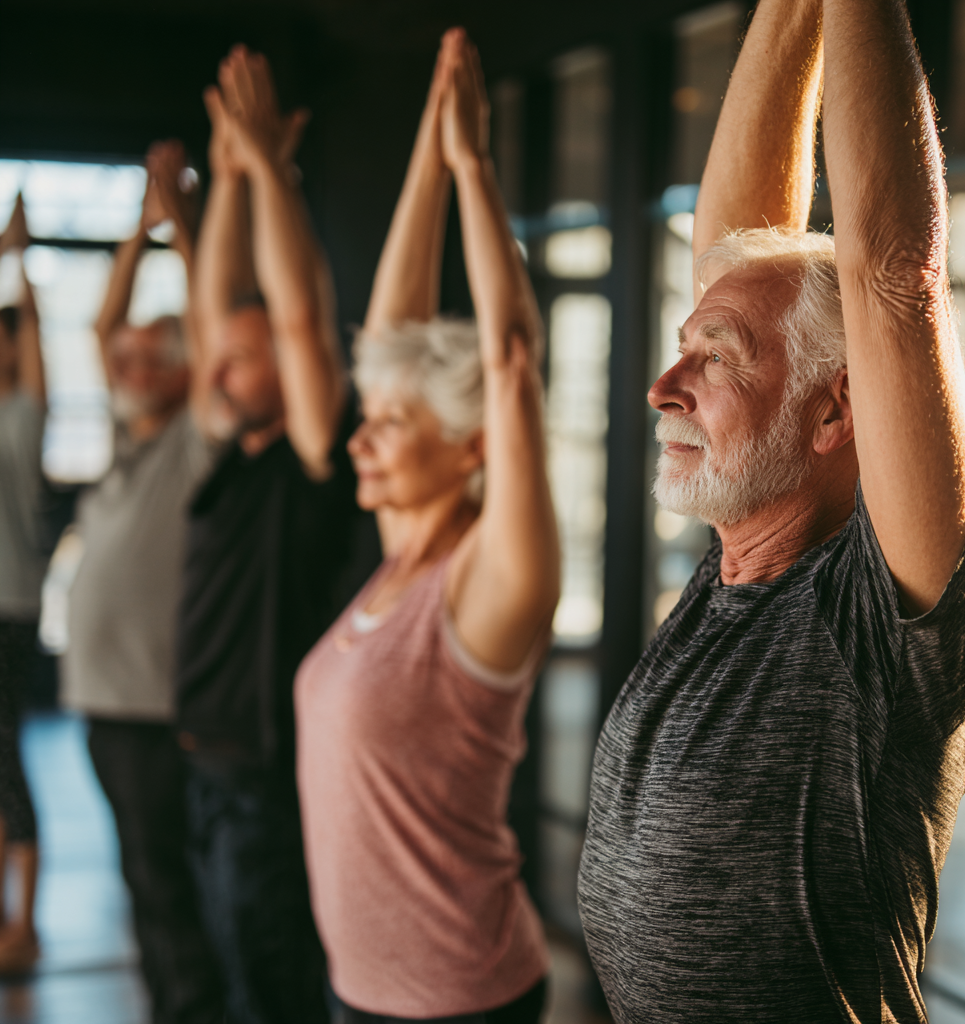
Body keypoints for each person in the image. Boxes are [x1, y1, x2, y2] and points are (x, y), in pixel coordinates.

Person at [576, 0, 965, 1021]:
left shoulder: (881, 618)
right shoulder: (739, 561)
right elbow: (733, 246)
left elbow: (891, 273)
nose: (662, 386)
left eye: (714, 357)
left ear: (833, 411)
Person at [295, 29, 559, 1024]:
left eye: (394, 425)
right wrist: (427, 147)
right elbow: (388, 338)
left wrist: (473, 168)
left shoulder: (489, 583)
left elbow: (511, 360)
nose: (361, 438)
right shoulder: (394, 564)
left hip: (457, 999)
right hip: (360, 991)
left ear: (471, 447)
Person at [177, 45, 380, 1024]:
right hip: (208, 759)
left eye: (247, 358)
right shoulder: (229, 447)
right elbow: (221, 311)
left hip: (261, 770)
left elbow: (299, 317)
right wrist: (229, 175)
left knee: (272, 988)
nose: (221, 364)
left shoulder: (311, 458)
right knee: (231, 965)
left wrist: (266, 172)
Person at [62, 140, 225, 1023]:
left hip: (155, 711)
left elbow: (203, 317)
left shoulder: (193, 445)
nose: (124, 366)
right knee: (145, 878)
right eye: (123, 361)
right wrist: (139, 227)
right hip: (107, 705)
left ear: (186, 369)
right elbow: (101, 330)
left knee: (168, 885)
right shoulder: (129, 446)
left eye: (145, 358)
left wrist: (185, 231)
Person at [0, 195, 46, 976]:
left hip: (5, 613)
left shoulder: (21, 420)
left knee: (7, 768)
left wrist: (18, 260)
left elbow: (34, 338)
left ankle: (23, 925)